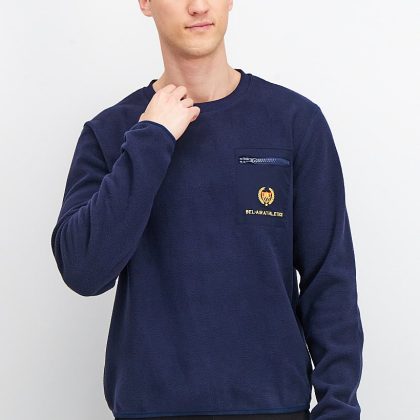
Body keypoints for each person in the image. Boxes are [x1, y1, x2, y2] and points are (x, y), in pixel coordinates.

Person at [50, 1, 364, 419]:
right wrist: (152, 138)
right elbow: (84, 271)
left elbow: (330, 279)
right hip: (152, 410)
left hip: (276, 407)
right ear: (145, 3)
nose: (198, 6)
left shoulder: (294, 122)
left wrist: (338, 408)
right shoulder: (111, 133)